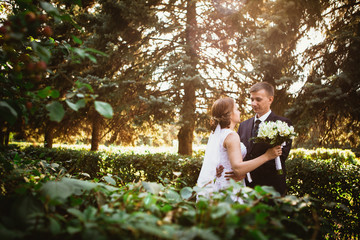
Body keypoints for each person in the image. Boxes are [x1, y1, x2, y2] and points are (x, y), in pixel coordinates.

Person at [197, 97, 282, 202]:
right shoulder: (231, 136)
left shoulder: (218, 134)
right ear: (229, 114)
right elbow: (237, 169)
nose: (239, 111)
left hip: (220, 184)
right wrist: (267, 156)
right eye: (236, 109)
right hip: (229, 187)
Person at [222, 82, 293, 196]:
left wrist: (244, 170)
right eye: (252, 99)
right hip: (246, 188)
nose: (253, 103)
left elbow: (280, 156)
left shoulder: (283, 124)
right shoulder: (243, 125)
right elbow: (238, 154)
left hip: (271, 188)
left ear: (270, 99)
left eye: (258, 99)